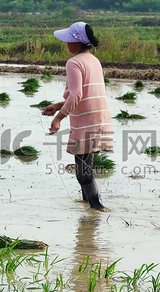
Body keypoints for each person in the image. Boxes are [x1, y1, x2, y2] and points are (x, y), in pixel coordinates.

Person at [43, 22, 113, 210]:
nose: (65, 43)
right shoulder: (93, 60)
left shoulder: (74, 63)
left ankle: (97, 208)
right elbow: (85, 93)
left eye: (68, 40)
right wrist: (58, 106)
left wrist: (58, 118)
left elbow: (76, 95)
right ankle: (86, 205)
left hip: (86, 122)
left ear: (77, 42)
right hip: (100, 119)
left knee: (83, 172)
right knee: (87, 166)